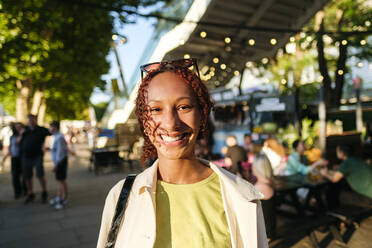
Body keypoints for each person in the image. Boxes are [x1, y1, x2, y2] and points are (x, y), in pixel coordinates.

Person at [97, 58, 268, 248]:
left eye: (184, 107)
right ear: (144, 120)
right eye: (156, 109)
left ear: (202, 114)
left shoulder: (242, 196)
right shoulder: (121, 197)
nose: (171, 123)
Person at [20, 114, 50, 204]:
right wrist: (21, 134)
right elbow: (18, 141)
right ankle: (30, 193)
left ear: (36, 120)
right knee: (27, 176)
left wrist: (46, 145)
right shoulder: (24, 130)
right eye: (29, 120)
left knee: (40, 174)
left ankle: (44, 191)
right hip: (26, 156)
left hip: (37, 155)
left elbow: (51, 134)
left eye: (33, 120)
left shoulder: (41, 129)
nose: (31, 121)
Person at [252, 154, 276, 240]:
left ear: (257, 168)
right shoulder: (270, 182)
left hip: (264, 233)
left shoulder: (260, 187)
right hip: (270, 226)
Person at [49, 121, 69, 210]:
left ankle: (63, 198)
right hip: (59, 162)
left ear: (55, 127)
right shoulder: (56, 136)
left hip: (60, 162)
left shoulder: (59, 137)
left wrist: (56, 165)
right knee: (60, 180)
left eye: (51, 127)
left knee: (61, 181)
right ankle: (60, 196)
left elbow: (60, 153)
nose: (49, 129)